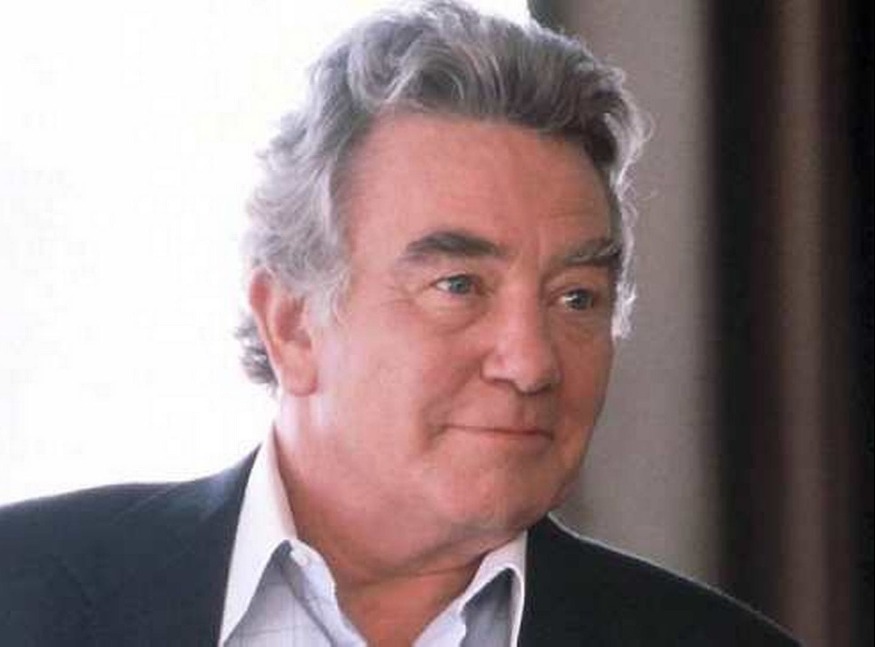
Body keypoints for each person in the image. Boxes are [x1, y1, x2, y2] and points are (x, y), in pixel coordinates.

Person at [0, 1, 799, 645]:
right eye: (458, 285)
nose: (531, 362)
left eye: (576, 297)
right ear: (292, 323)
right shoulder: (22, 590)